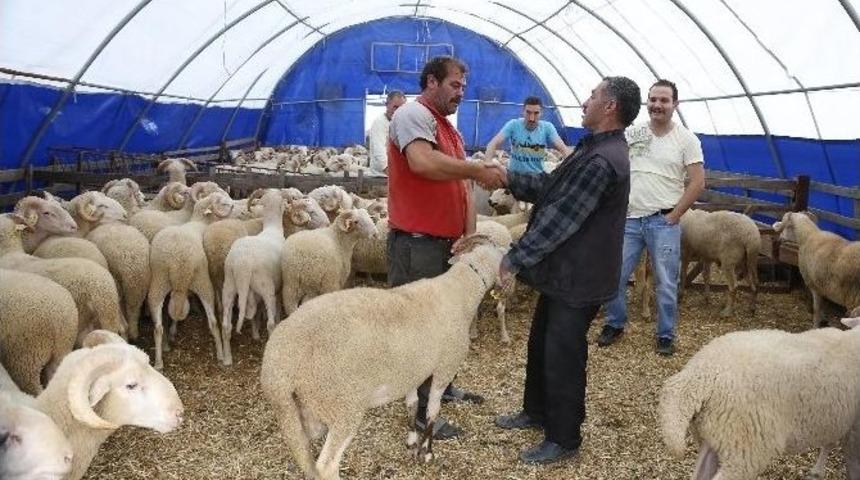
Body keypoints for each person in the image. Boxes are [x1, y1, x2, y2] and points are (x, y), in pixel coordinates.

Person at [491, 76, 642, 465]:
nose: (586, 100)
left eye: (593, 95)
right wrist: (507, 177)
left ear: (610, 107)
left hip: (581, 277)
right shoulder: (591, 149)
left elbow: (560, 217)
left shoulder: (604, 161)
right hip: (566, 274)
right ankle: (536, 411)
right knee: (541, 342)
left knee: (564, 353)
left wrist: (515, 257)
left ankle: (564, 437)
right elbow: (550, 187)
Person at [386, 56, 506, 440]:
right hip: (418, 244)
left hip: (446, 245)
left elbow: (462, 189)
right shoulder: (411, 115)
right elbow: (421, 164)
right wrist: (475, 167)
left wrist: (469, 236)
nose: (461, 93)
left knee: (449, 325)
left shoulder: (449, 131)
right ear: (432, 81)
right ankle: (423, 415)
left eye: (464, 87)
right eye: (455, 85)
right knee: (422, 328)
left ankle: (443, 387)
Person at [597, 79, 706, 356]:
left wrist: (675, 215)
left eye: (664, 101)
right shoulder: (633, 134)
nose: (657, 105)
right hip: (630, 220)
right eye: (653, 100)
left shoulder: (687, 140)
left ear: (675, 105)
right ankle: (615, 322)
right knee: (615, 275)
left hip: (663, 221)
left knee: (666, 281)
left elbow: (697, 182)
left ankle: (666, 333)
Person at [484, 96, 571, 173]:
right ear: (523, 111)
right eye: (528, 112)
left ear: (542, 113)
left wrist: (571, 165)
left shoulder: (547, 127)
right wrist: (487, 163)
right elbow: (493, 143)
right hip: (515, 177)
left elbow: (563, 148)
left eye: (536, 113)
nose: (531, 118)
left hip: (537, 178)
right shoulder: (513, 125)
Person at [368, 90, 406, 176]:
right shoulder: (379, 123)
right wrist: (389, 171)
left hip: (398, 174)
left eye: (402, 108)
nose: (398, 111)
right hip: (382, 176)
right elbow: (379, 150)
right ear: (387, 105)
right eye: (395, 107)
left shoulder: (403, 123)